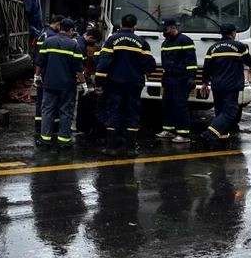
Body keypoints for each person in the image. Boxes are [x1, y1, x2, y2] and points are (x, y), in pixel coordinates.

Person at [95, 14, 156, 157]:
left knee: (113, 112)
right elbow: (150, 64)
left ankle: (111, 148)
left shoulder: (112, 40)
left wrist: (99, 83)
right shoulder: (142, 43)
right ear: (135, 26)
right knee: (132, 113)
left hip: (114, 83)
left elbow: (103, 64)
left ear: (121, 25)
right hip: (134, 84)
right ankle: (130, 149)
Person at [34, 18, 86, 149]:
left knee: (47, 110)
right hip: (67, 86)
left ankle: (45, 139)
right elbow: (78, 68)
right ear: (71, 30)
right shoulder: (74, 45)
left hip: (50, 83)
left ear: (60, 27)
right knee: (66, 112)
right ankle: (64, 140)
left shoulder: (48, 41)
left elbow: (40, 62)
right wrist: (83, 83)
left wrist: (37, 76)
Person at [200, 23, 251, 149]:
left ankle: (223, 137)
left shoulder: (212, 48)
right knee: (230, 110)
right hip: (231, 85)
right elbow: (249, 61)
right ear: (233, 33)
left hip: (217, 84)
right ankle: (210, 133)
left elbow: (206, 67)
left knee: (220, 110)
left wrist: (204, 83)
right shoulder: (239, 46)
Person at [155, 19, 197, 144]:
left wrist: (191, 77)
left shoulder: (185, 41)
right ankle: (168, 129)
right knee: (167, 104)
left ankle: (183, 133)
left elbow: (191, 61)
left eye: (166, 29)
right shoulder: (165, 44)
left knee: (180, 106)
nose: (164, 32)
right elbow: (165, 63)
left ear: (173, 27)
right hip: (169, 78)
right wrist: (163, 76)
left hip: (182, 78)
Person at [33, 15, 65, 137]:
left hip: (41, 71)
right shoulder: (52, 37)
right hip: (48, 73)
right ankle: (51, 128)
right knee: (51, 102)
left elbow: (38, 56)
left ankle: (39, 126)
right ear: (57, 24)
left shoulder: (44, 34)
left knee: (41, 101)